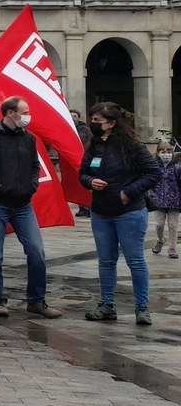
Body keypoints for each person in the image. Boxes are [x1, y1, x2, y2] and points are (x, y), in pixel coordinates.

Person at [0, 96, 64, 321]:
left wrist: (32, 184)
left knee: (37, 252)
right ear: (10, 113)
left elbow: (34, 166)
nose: (28, 116)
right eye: (24, 111)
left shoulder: (28, 138)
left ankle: (36, 301)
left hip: (23, 205)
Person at [80, 102, 160, 326]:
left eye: (97, 121)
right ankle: (106, 305)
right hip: (101, 212)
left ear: (112, 123)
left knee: (135, 260)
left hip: (129, 212)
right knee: (106, 261)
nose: (93, 125)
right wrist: (89, 181)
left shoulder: (132, 146)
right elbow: (83, 173)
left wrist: (129, 192)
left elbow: (153, 173)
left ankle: (142, 307)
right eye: (92, 120)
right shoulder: (93, 145)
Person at [149, 138, 180, 259]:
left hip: (174, 200)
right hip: (158, 200)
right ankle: (160, 240)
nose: (166, 154)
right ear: (158, 153)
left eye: (168, 151)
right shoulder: (154, 166)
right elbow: (149, 181)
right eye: (163, 151)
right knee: (159, 224)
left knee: (173, 225)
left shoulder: (177, 167)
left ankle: (172, 248)